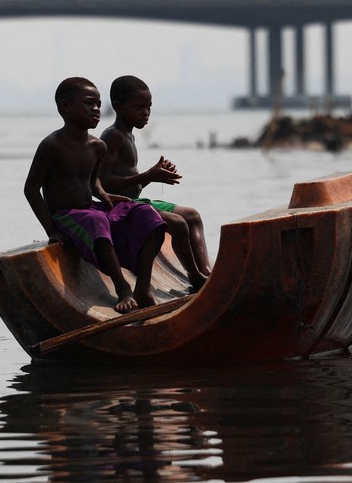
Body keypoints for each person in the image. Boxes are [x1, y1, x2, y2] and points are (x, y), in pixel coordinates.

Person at [24, 76, 166, 313]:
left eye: (99, 104)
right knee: (97, 220)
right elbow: (31, 189)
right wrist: (52, 231)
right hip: (67, 215)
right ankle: (123, 290)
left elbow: (93, 181)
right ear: (65, 107)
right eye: (89, 103)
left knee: (146, 214)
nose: (97, 109)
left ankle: (142, 288)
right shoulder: (52, 145)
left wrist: (105, 195)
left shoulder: (97, 146)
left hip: (91, 208)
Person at [99, 75, 211, 290]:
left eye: (149, 107)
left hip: (136, 201)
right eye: (139, 107)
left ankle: (206, 272)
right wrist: (148, 175)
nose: (146, 113)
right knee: (177, 223)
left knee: (192, 216)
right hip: (120, 207)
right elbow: (104, 185)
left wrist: (155, 177)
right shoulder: (113, 136)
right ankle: (195, 277)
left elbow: (132, 186)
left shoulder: (129, 135)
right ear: (118, 106)